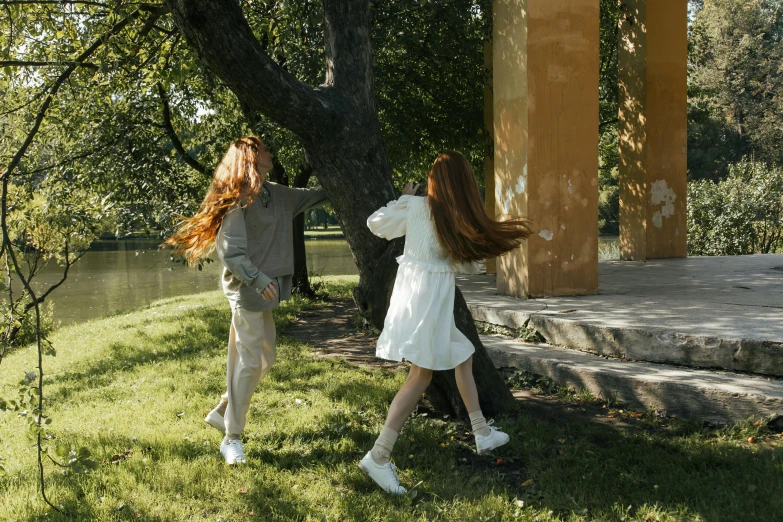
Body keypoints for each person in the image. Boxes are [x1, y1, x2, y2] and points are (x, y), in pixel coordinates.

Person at [358, 151, 531, 494]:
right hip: (428, 302)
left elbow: (375, 223)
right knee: (420, 376)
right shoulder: (452, 216)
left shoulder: (420, 207)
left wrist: (403, 198)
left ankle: (481, 432)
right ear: (464, 185)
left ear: (436, 182)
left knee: (462, 355)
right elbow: (471, 266)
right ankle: (378, 456)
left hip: (422, 300)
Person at [165, 136, 328, 465]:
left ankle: (223, 409)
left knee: (265, 358)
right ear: (251, 157)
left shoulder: (276, 194)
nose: (271, 152)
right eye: (264, 149)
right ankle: (231, 437)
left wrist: (342, 176)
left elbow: (315, 196)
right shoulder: (238, 199)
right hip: (247, 288)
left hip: (263, 289)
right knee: (251, 361)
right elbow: (230, 251)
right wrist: (257, 278)